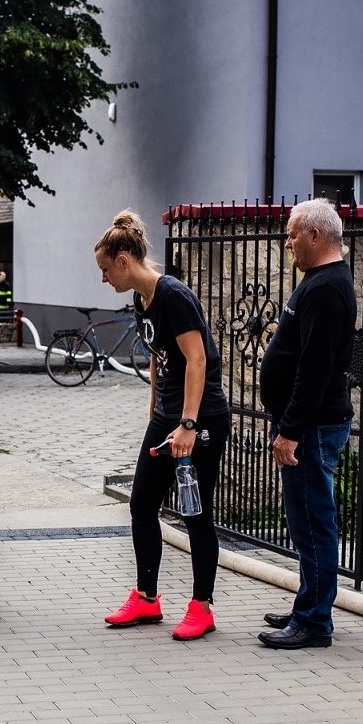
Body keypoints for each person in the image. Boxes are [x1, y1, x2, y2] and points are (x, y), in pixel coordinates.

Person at [96, 210, 231, 640]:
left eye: (104, 269)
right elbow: (159, 358)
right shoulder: (140, 299)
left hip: (201, 417)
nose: (103, 279)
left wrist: (188, 423)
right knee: (141, 504)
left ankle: (202, 606)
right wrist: (156, 414)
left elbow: (197, 359)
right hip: (166, 419)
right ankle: (147, 598)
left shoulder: (172, 294)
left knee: (195, 513)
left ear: (123, 260)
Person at [256, 200, 357, 650]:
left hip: (311, 430)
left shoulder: (326, 289)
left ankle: (315, 621)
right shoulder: (321, 283)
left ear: (316, 236)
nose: (288, 242)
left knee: (314, 524)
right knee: (304, 523)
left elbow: (315, 370)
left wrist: (291, 430)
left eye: (293, 234)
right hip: (307, 426)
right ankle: (308, 604)